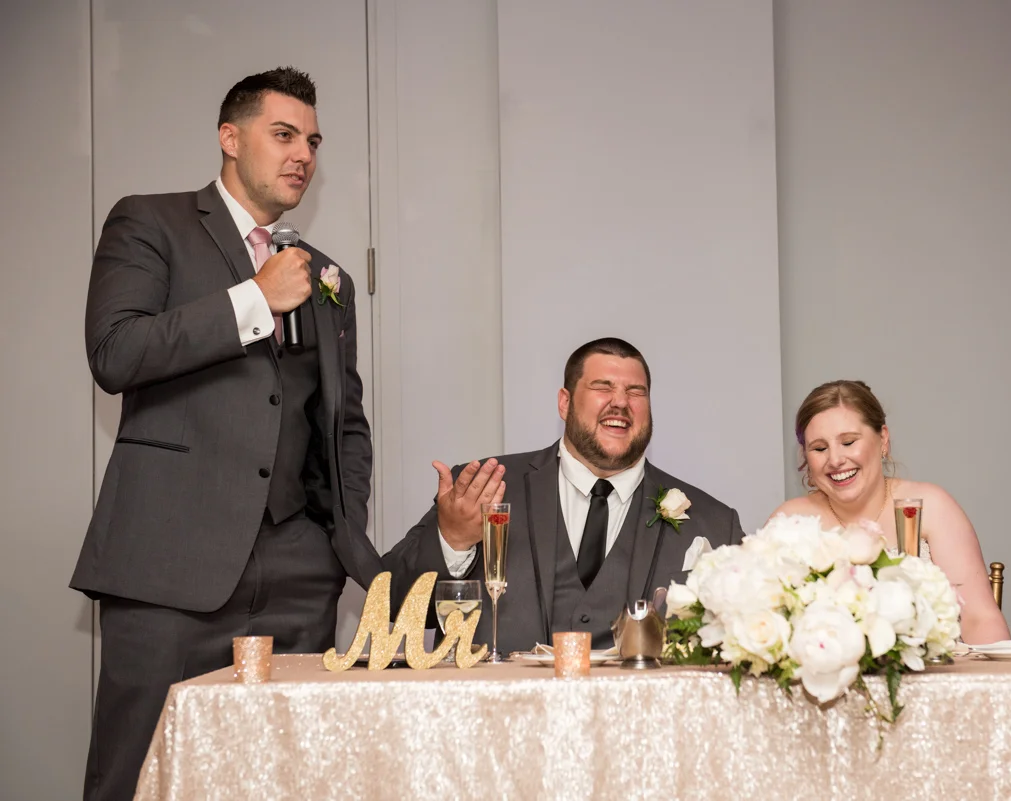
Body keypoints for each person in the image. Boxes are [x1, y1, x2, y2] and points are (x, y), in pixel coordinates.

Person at [71, 67, 381, 801]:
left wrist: (336, 539)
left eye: (312, 140)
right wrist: (255, 298)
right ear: (229, 137)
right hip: (169, 568)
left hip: (300, 577)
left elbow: (345, 425)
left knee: (285, 779)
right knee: (137, 773)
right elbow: (115, 352)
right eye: (283, 135)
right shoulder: (150, 222)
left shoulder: (326, 274)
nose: (302, 153)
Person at [383, 337, 744, 653]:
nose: (620, 402)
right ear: (564, 403)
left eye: (636, 392)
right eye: (603, 387)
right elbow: (391, 603)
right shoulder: (481, 488)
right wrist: (453, 541)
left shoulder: (713, 523)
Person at [768, 380, 1010, 644]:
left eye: (848, 442)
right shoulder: (789, 522)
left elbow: (980, 619)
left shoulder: (930, 506)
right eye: (820, 448)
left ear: (883, 439)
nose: (835, 460)